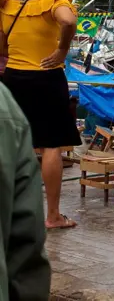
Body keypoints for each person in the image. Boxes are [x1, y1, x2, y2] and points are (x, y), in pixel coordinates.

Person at [0, 0, 80, 229]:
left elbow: (2, 45)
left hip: (12, 78)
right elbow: (68, 21)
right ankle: (53, 215)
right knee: (51, 146)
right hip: (46, 78)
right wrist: (62, 50)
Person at [0, 82, 51, 300]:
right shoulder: (5, 107)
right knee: (53, 145)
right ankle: (55, 213)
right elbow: (25, 253)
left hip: (19, 78)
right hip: (42, 82)